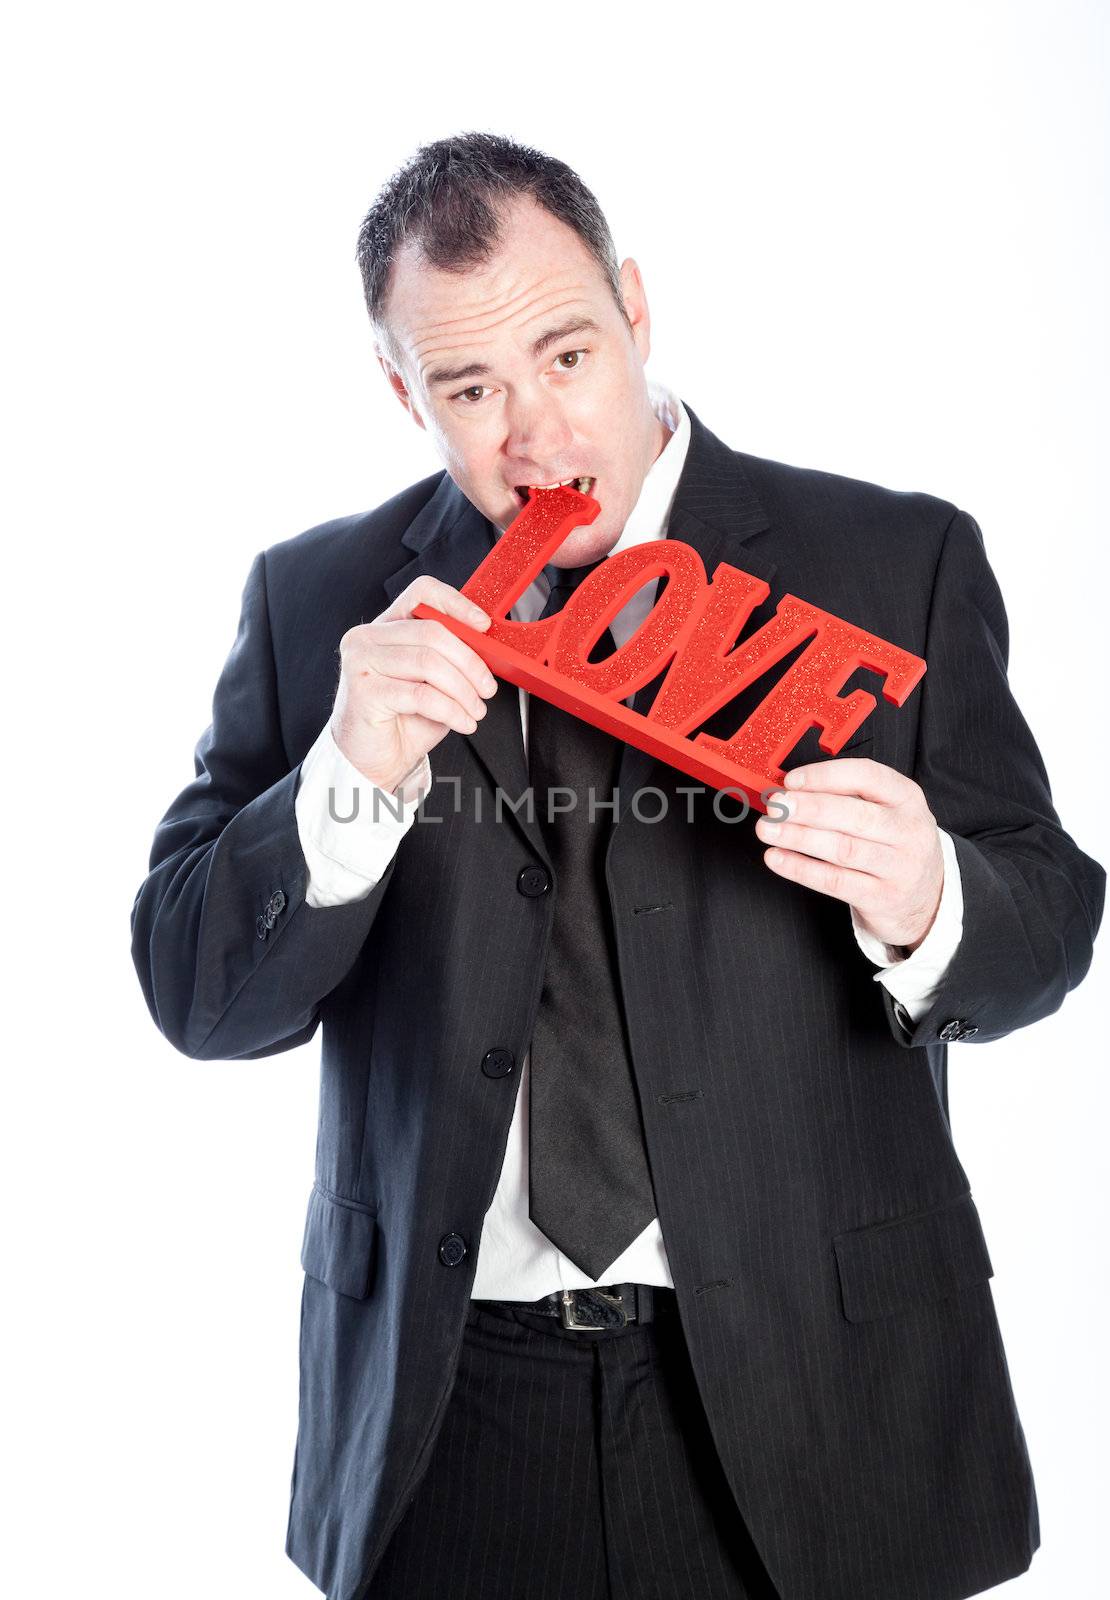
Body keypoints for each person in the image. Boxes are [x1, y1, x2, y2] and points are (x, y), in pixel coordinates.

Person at [130, 132, 1105, 1600]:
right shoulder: (318, 601)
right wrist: (344, 779)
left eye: (567, 354)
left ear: (636, 313)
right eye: (469, 389)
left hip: (819, 1387)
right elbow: (200, 999)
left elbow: (1046, 926)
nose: (534, 434)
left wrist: (928, 896)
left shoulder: (891, 560)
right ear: (405, 395)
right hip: (448, 1409)